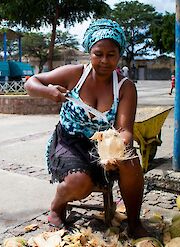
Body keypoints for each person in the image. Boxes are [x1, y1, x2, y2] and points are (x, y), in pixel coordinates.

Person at [24, 19, 147, 238]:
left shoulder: (125, 87)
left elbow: (125, 129)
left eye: (111, 55)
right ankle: (56, 206)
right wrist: (48, 92)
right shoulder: (75, 74)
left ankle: (134, 221)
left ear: (119, 55)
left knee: (130, 161)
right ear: (89, 52)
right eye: (98, 54)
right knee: (80, 183)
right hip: (69, 142)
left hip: (104, 145)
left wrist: (121, 146)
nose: (104, 61)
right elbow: (31, 82)